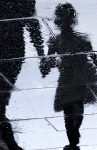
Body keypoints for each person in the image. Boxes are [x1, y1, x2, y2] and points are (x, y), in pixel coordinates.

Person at [40, 3, 97, 150]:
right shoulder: (58, 41)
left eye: (67, 17)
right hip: (68, 75)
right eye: (61, 18)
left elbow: (93, 56)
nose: (64, 21)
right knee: (69, 107)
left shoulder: (81, 39)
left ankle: (73, 138)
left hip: (80, 74)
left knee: (75, 105)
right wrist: (46, 65)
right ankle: (72, 138)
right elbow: (48, 59)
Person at [0, 1, 45, 149]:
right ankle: (7, 141)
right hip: (14, 50)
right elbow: (33, 25)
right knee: (2, 97)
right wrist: (41, 55)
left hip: (12, 50)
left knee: (2, 98)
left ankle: (7, 141)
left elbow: (32, 24)